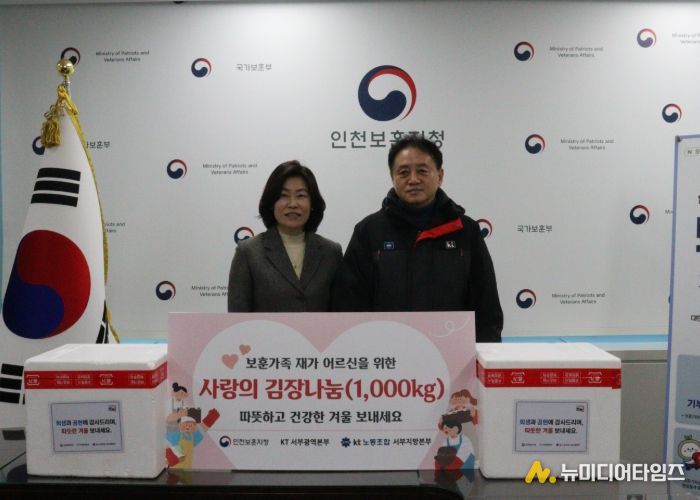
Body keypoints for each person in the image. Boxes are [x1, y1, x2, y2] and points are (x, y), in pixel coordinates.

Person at [333, 135, 503, 342]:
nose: (413, 180)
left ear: (440, 175)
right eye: (403, 172)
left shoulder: (465, 231)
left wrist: (484, 352)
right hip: (386, 353)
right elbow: (350, 306)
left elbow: (486, 305)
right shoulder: (369, 232)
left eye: (422, 171)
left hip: (452, 352)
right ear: (392, 177)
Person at [228, 160, 342, 312]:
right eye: (284, 195)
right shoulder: (249, 252)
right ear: (271, 203)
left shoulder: (331, 252)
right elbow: (237, 316)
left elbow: (341, 313)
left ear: (312, 203)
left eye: (301, 195)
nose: (293, 204)